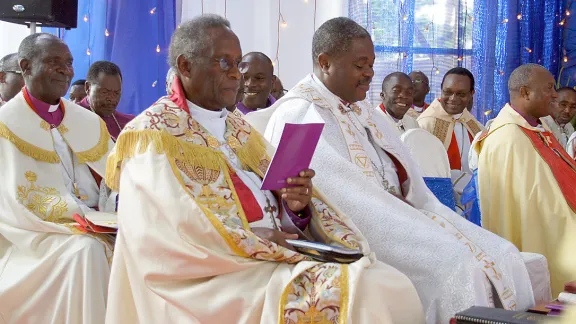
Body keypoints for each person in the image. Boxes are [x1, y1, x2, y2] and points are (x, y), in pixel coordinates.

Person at [104, 15, 424, 324]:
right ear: (186, 66)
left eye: (237, 62)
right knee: (364, 292)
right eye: (224, 62)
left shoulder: (238, 128)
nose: (236, 74)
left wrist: (296, 207)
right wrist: (249, 238)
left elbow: (278, 203)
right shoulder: (152, 135)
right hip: (215, 278)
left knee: (387, 281)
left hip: (268, 255)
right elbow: (160, 237)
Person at [247, 17, 534, 324]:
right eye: (360, 65)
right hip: (363, 229)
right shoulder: (299, 113)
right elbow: (308, 202)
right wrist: (408, 216)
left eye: (371, 64)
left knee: (505, 254)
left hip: (407, 213)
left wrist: (425, 212)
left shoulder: (363, 110)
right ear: (325, 62)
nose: (370, 73)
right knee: (459, 266)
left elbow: (409, 180)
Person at [0, 33, 115, 323]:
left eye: (69, 62)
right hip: (35, 233)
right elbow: (8, 205)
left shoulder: (87, 121)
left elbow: (118, 174)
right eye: (54, 62)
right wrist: (77, 219)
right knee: (86, 251)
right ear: (26, 67)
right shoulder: (5, 126)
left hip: (97, 223)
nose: (66, 70)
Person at [475, 64, 576, 296]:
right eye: (549, 88)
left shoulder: (536, 130)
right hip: (545, 236)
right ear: (525, 92)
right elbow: (534, 203)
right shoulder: (508, 137)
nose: (554, 94)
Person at [418, 67, 485, 174]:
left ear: (471, 94)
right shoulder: (426, 124)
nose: (453, 98)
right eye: (448, 92)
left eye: (461, 94)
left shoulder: (474, 125)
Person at [78, 61, 135, 141]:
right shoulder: (70, 117)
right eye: (105, 92)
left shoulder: (129, 124)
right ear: (88, 88)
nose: (111, 98)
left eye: (116, 93)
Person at [375, 72, 419, 136]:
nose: (404, 96)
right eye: (396, 90)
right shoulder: (373, 123)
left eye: (409, 92)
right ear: (382, 95)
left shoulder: (413, 123)